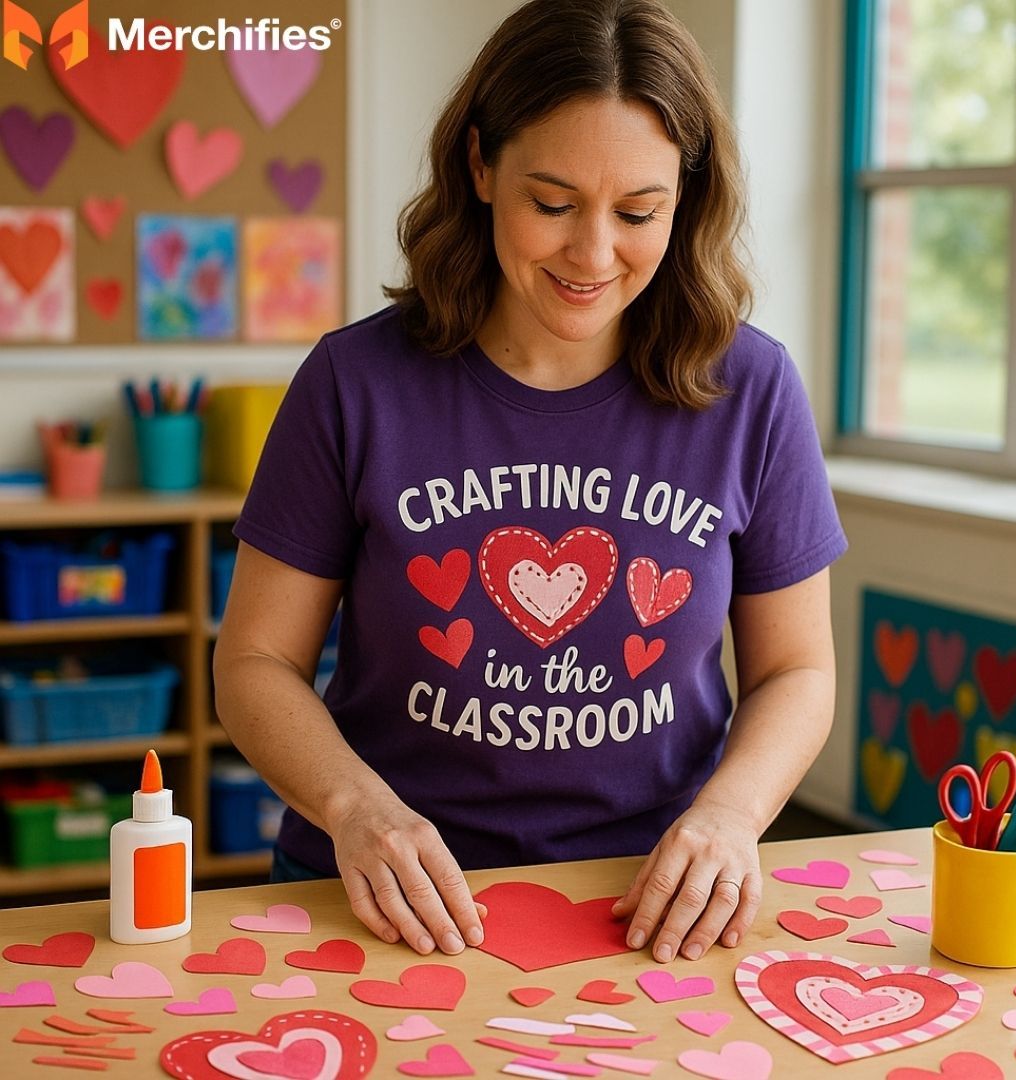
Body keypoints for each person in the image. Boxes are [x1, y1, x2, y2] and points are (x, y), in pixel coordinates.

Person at [213, 0, 847, 966]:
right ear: (479, 167)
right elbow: (255, 663)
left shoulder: (751, 389)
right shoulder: (354, 384)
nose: (592, 256)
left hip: (651, 907)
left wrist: (730, 815)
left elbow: (796, 671)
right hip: (386, 901)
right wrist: (355, 809)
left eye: (639, 213)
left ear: (687, 194)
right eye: (550, 204)